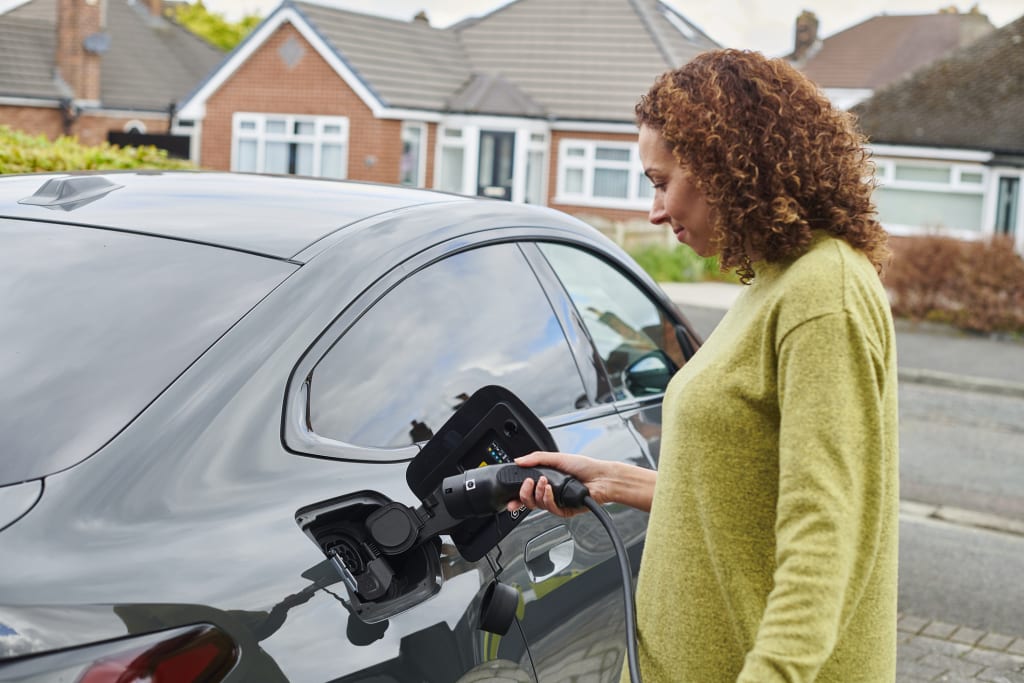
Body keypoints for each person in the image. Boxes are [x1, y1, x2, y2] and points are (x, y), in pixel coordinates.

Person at [510, 49, 899, 682]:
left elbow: (825, 534)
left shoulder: (823, 294)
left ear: (729, 165)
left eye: (662, 181)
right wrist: (614, 481)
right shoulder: (775, 283)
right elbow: (745, 500)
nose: (655, 212)